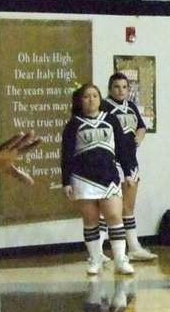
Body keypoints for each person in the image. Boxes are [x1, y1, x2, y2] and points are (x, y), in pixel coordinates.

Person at [60, 84, 135, 277]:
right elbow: (66, 155)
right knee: (90, 220)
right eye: (86, 96)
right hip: (83, 179)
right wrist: (66, 181)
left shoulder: (110, 120)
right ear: (80, 100)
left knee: (114, 217)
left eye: (94, 95)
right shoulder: (73, 124)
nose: (91, 99)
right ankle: (95, 258)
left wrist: (128, 172)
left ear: (100, 99)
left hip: (108, 177)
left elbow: (122, 149)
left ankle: (120, 259)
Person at [102, 72, 155, 262]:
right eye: (117, 87)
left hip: (131, 161)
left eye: (124, 87)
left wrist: (140, 135)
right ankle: (99, 250)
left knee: (129, 207)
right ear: (110, 88)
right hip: (113, 162)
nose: (121, 90)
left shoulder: (131, 106)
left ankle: (133, 246)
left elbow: (141, 126)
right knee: (108, 209)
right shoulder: (105, 106)